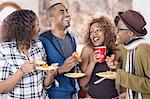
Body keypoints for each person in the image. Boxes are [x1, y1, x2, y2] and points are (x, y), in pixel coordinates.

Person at [0, 9, 55, 99]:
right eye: (36, 25)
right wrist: (21, 71)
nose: (39, 29)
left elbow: (45, 85)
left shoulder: (39, 45)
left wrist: (50, 74)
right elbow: (1, 89)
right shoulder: (4, 50)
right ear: (26, 28)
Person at [39, 2, 80, 99]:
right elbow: (40, 75)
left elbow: (74, 67)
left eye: (67, 11)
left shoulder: (72, 38)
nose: (67, 14)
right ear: (52, 19)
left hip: (74, 94)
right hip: (55, 95)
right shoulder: (42, 40)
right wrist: (61, 69)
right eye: (62, 12)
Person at [106, 10, 150, 99]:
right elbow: (131, 75)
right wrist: (116, 67)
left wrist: (120, 76)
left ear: (131, 33)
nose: (116, 32)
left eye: (119, 29)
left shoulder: (143, 49)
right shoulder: (125, 47)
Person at [79, 16, 119, 99]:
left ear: (106, 33)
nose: (94, 34)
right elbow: (82, 83)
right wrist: (93, 62)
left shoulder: (116, 50)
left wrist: (115, 66)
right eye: (91, 32)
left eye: (98, 30)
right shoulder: (88, 50)